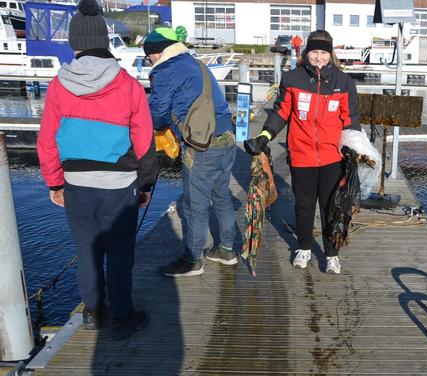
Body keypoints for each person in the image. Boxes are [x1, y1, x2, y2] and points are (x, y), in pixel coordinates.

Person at [37, 0, 155, 340]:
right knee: (120, 254)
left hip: (76, 185)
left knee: (87, 251)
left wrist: (54, 183)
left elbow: (47, 141)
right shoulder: (129, 84)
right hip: (120, 185)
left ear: (74, 44)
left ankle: (92, 312)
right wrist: (145, 183)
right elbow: (144, 140)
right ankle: (122, 317)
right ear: (105, 41)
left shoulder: (58, 85)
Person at [245, 30, 360, 274]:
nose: (318, 57)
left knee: (331, 207)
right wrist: (264, 136)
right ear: (307, 52)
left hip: (333, 157)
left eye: (323, 53)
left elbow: (350, 119)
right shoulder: (292, 79)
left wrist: (353, 148)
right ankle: (304, 248)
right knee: (304, 206)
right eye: (314, 52)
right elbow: (281, 112)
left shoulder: (344, 83)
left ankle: (331, 254)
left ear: (331, 54)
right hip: (301, 155)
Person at [143, 27, 238, 277]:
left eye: (149, 56)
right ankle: (227, 250)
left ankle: (193, 260)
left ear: (157, 52)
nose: (149, 61)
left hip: (202, 146)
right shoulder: (195, 63)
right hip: (227, 138)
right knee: (222, 197)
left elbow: (156, 114)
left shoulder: (166, 70)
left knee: (195, 206)